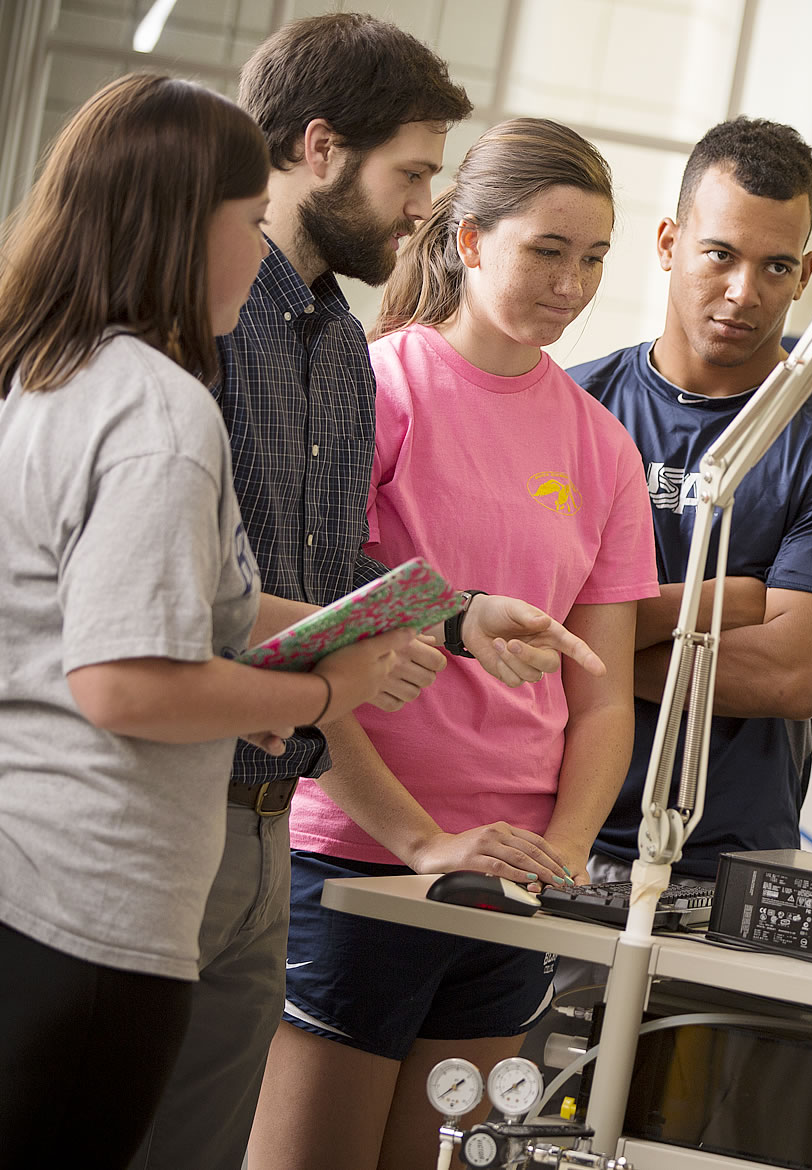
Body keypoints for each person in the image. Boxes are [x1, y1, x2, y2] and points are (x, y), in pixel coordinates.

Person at [137, 17, 606, 1170]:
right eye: (409, 175)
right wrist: (399, 804)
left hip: (263, 816)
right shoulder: (193, 326)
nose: (418, 210)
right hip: (180, 809)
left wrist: (451, 617)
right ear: (317, 148)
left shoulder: (337, 345)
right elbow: (196, 586)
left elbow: (323, 571)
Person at [0, 74, 410, 1169]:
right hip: (94, 900)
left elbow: (183, 607)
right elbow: (124, 683)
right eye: (245, 222)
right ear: (191, 228)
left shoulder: (53, 375)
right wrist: (321, 695)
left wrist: (336, 636)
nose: (257, 248)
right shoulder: (162, 411)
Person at [248, 117, 656, 1170]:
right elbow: (309, 645)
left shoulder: (603, 450)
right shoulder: (380, 390)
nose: (574, 285)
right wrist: (421, 842)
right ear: (468, 242)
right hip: (360, 861)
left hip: (508, 886)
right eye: (547, 251)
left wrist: (558, 857)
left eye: (595, 258)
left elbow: (600, 693)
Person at [570, 117, 812, 883]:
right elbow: (507, 626)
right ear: (667, 243)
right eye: (719, 254)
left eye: (776, 267)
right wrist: (734, 602)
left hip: (722, 869)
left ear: (808, 271)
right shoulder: (570, 410)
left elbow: (789, 678)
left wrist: (583, 639)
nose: (743, 292)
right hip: (548, 836)